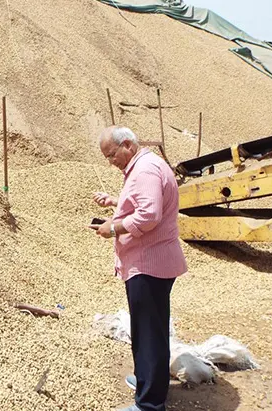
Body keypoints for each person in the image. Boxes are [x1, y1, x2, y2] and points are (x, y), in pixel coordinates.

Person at [90, 126, 187, 411]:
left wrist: (113, 227)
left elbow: (148, 214)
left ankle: (149, 404)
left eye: (111, 155)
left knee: (149, 333)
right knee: (148, 329)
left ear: (128, 145)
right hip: (150, 262)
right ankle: (148, 380)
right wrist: (116, 202)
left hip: (149, 264)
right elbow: (144, 203)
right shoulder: (147, 165)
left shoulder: (144, 170)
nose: (111, 161)